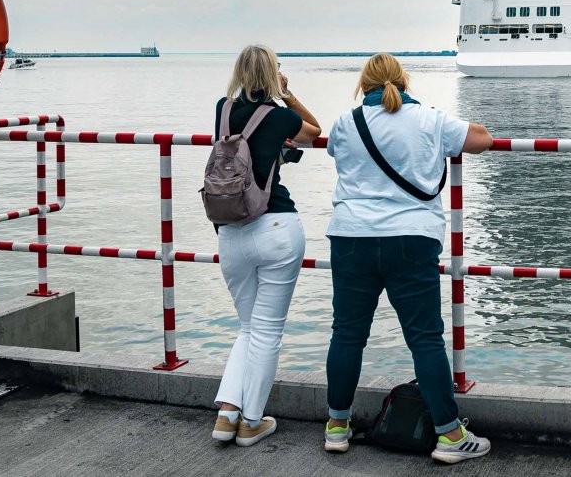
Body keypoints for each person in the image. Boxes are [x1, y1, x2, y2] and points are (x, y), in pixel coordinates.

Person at [322, 53, 495, 463]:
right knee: (424, 337)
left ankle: (336, 426)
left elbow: (331, 150)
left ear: (364, 85)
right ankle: (450, 436)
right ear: (403, 82)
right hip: (411, 238)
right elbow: (483, 139)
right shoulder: (430, 119)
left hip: (350, 236)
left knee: (347, 334)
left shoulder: (346, 122)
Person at [211, 45, 322, 447]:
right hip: (276, 226)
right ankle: (251, 421)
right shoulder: (281, 116)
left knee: (248, 328)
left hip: (229, 230)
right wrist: (288, 94)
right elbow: (314, 131)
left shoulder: (222, 109)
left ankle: (228, 414)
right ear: (273, 74)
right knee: (267, 332)